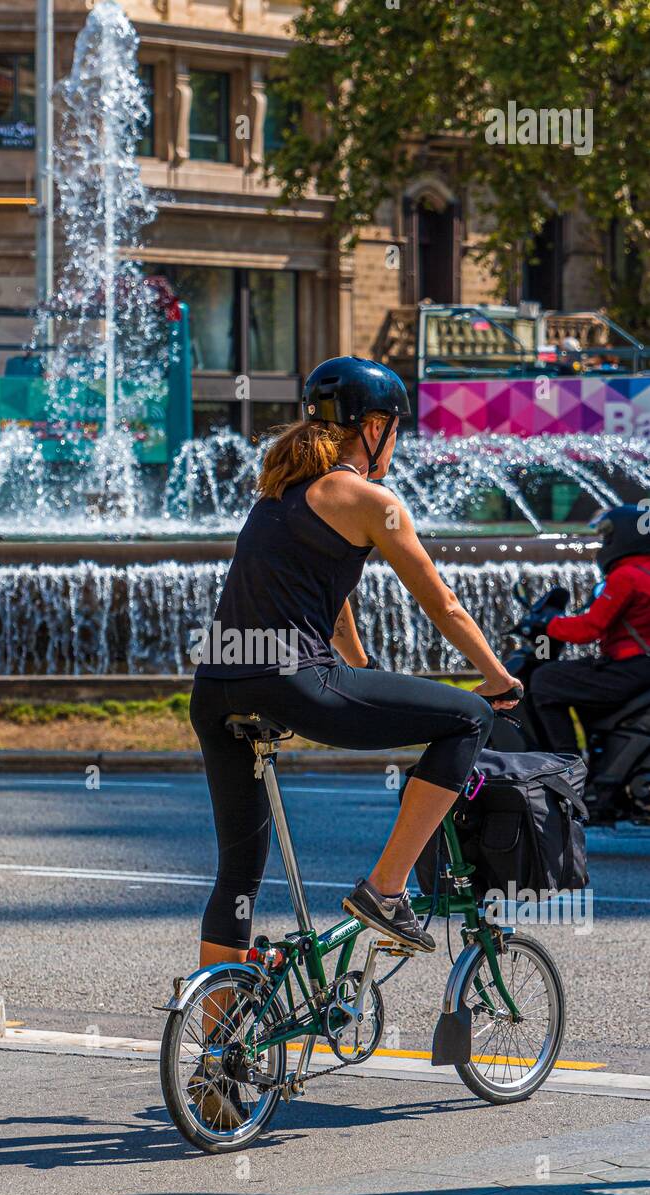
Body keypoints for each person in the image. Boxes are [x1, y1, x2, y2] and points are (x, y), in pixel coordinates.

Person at [190, 356, 522, 976]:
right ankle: (385, 889)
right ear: (373, 429)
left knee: (238, 872)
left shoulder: (278, 495)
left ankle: (216, 1052)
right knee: (468, 717)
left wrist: (361, 666)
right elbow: (443, 604)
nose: (396, 443)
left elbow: (325, 591)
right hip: (295, 683)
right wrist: (498, 679)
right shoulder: (370, 501)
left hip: (215, 688)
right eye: (394, 429)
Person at [527, 504, 650, 753]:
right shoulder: (644, 571)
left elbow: (589, 629)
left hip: (631, 668)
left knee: (545, 679)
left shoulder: (626, 576)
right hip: (640, 668)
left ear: (623, 537)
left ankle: (567, 764)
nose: (604, 545)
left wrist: (548, 623)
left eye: (607, 538)